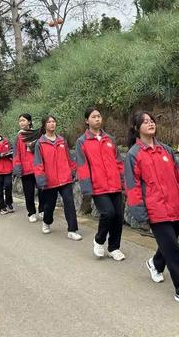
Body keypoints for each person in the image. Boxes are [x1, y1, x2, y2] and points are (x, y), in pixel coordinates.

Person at [124, 110, 179, 308]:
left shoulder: (166, 150)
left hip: (172, 205)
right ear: (136, 128)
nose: (150, 124)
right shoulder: (134, 154)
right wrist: (139, 211)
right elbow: (132, 186)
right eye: (145, 122)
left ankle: (155, 264)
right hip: (155, 209)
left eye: (152, 121)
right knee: (173, 249)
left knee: (170, 240)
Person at [76, 107, 125, 261]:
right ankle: (99, 240)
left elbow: (118, 161)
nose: (97, 119)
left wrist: (124, 180)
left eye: (99, 116)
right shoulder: (82, 141)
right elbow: (82, 166)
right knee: (108, 213)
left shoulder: (109, 139)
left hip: (115, 184)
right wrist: (86, 188)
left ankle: (114, 247)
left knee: (118, 216)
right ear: (87, 121)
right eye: (93, 117)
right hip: (98, 185)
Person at [34, 115, 82, 240]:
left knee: (69, 203)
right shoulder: (40, 143)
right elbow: (38, 163)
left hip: (65, 178)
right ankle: (47, 221)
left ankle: (72, 230)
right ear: (44, 125)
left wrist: (73, 170)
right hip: (50, 180)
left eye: (54, 121)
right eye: (49, 122)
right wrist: (40, 178)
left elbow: (68, 158)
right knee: (50, 205)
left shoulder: (62, 140)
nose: (52, 124)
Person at [13, 113, 45, 222]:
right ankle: (31, 212)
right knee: (29, 193)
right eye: (20, 121)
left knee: (42, 190)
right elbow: (16, 154)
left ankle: (42, 210)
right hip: (26, 169)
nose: (21, 123)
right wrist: (17, 167)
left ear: (29, 122)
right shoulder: (19, 136)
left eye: (23, 120)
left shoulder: (37, 134)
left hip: (37, 167)